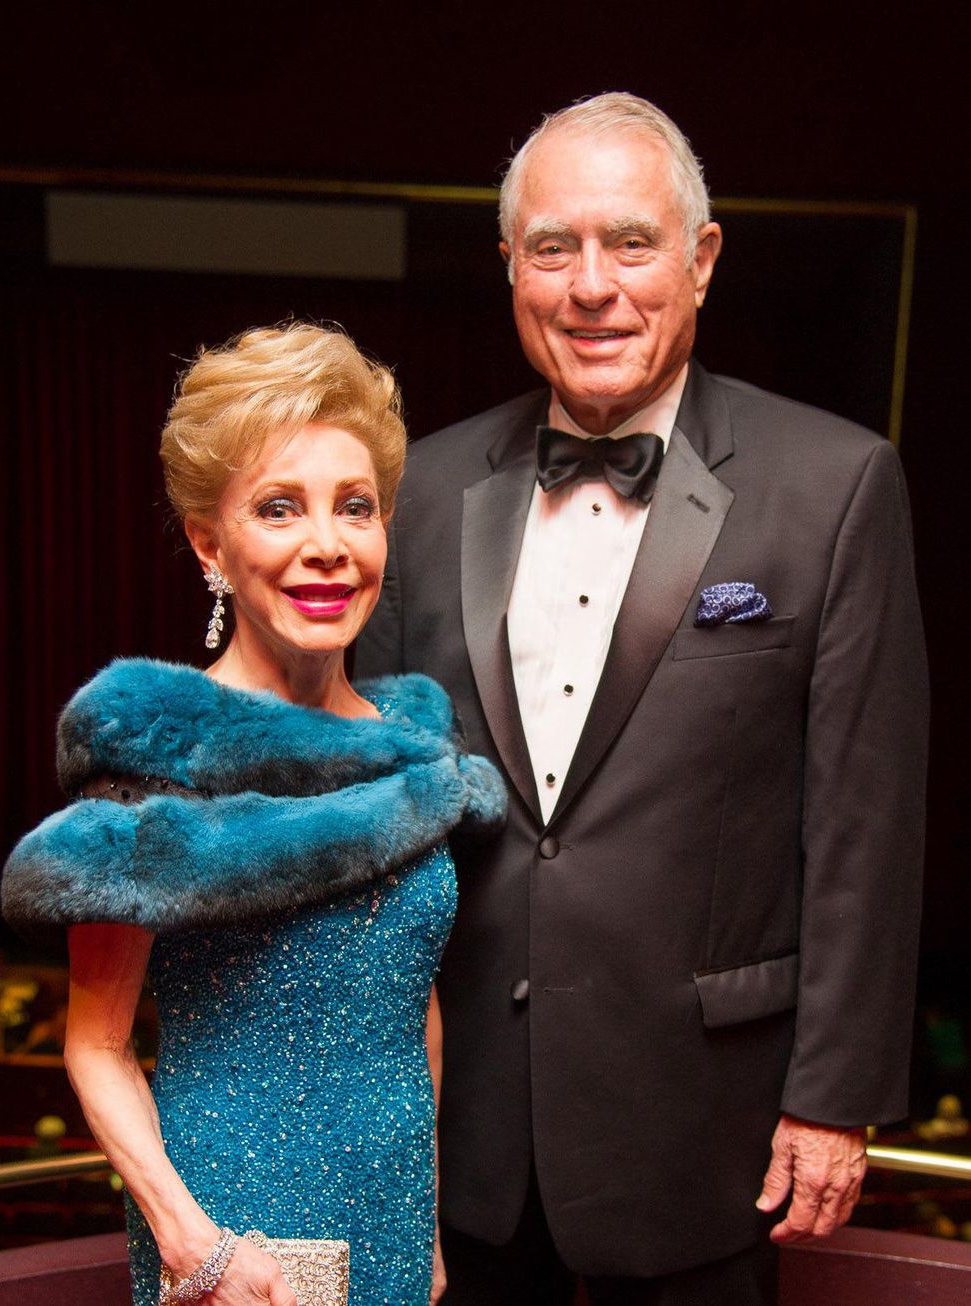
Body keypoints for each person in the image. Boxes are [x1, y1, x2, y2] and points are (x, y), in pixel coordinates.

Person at [356, 93, 929, 1304]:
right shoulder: (421, 486)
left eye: (631, 243)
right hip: (460, 1141)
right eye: (553, 248)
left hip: (704, 1132)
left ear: (701, 259)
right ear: (510, 268)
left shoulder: (834, 486)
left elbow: (863, 828)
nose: (591, 286)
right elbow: (376, 804)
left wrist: (831, 1097)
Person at [2, 323, 506, 1306]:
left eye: (353, 508)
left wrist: (427, 1226)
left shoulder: (412, 749)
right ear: (209, 542)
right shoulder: (154, 758)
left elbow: (416, 1006)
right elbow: (95, 1044)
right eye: (279, 509)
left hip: (394, 1219)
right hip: (237, 1228)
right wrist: (198, 1248)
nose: (326, 544)